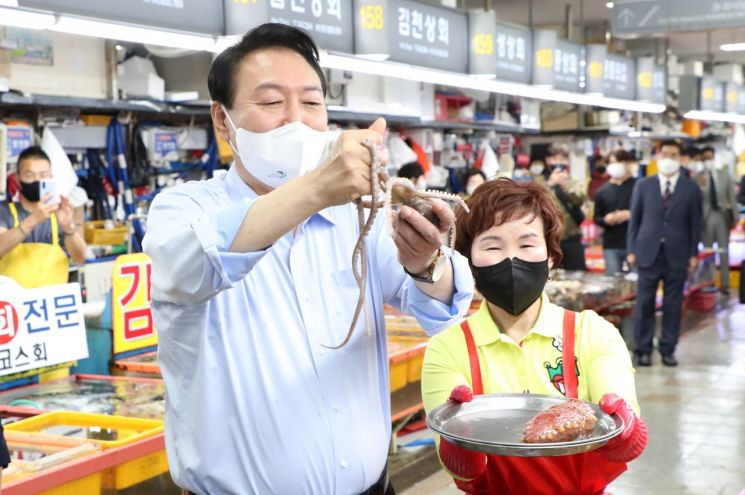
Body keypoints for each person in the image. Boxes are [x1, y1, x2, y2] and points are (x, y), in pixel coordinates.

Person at [142, 24, 473, 495]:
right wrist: (317, 188)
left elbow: (440, 309)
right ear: (223, 121)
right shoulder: (185, 209)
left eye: (312, 103)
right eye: (272, 103)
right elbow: (193, 264)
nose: (295, 121)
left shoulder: (358, 214)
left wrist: (425, 264)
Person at [421, 178, 647, 495]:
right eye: (492, 246)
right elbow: (464, 475)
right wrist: (457, 448)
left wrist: (626, 433)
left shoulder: (592, 333)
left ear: (551, 256)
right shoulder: (448, 348)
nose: (511, 259)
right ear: (469, 262)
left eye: (527, 244)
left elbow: (621, 437)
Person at [627, 140, 702, 367]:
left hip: (677, 254)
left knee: (672, 304)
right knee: (644, 303)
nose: (669, 158)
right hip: (647, 252)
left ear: (680, 158)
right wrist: (631, 249)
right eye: (665, 153)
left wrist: (693, 253)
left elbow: (695, 224)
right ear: (658, 156)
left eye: (674, 154)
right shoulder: (643, 185)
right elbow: (635, 220)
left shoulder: (691, 188)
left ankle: (668, 349)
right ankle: (643, 349)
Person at [0, 146, 86, 288]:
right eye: (29, 175)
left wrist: (68, 227)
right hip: (12, 306)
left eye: (43, 175)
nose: (36, 180)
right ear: (18, 177)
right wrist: (33, 220)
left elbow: (80, 257)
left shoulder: (60, 213)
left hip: (51, 305)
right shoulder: (4, 211)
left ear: (51, 177)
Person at [695, 146, 739, 295]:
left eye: (710, 157)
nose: (708, 161)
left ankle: (725, 284)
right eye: (705, 158)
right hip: (706, 217)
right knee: (708, 252)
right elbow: (695, 199)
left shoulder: (724, 175)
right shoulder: (697, 177)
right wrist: (701, 186)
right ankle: (708, 283)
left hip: (722, 216)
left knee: (724, 251)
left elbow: (732, 197)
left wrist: (735, 217)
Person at [594, 149, 637, 274]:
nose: (615, 165)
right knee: (613, 284)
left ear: (628, 163)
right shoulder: (602, 191)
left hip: (634, 245)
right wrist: (606, 220)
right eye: (612, 162)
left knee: (636, 284)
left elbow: (650, 213)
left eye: (620, 161)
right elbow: (597, 217)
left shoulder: (640, 186)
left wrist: (630, 215)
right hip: (611, 245)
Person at [545, 144, 587, 271]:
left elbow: (579, 201)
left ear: (567, 161)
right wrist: (550, 185)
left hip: (572, 236)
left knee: (578, 274)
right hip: (549, 238)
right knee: (551, 276)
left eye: (562, 159)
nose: (559, 162)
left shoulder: (573, 180)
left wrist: (566, 187)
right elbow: (536, 202)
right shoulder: (540, 181)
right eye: (555, 159)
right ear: (548, 160)